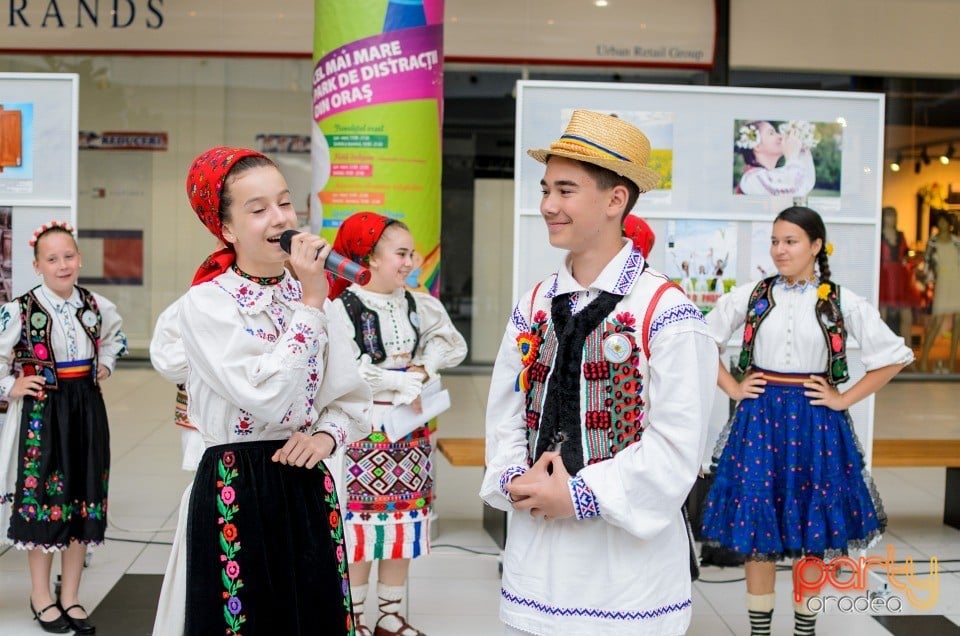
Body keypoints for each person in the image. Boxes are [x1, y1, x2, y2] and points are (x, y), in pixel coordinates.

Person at [480, 109, 718, 635]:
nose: (547, 206)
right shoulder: (536, 303)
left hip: (626, 569)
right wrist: (513, 476)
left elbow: (678, 448)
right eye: (546, 189)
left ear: (616, 200)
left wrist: (580, 495)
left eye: (565, 190)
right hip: (537, 553)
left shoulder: (668, 313)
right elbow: (505, 411)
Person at [151, 147, 372, 636]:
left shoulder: (311, 294)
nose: (280, 220)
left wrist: (325, 438)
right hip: (236, 483)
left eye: (285, 204)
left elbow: (352, 399)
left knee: (311, 617)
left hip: (307, 482)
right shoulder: (207, 305)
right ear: (225, 229)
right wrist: (312, 304)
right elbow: (268, 396)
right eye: (258, 209)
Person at [699, 206, 914, 636]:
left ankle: (805, 629)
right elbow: (700, 340)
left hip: (817, 424)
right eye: (775, 241)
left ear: (816, 246)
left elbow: (893, 356)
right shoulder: (752, 295)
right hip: (760, 420)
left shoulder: (841, 301)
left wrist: (842, 398)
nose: (780, 250)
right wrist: (734, 387)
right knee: (757, 530)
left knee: (811, 531)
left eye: (790, 241)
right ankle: (760, 630)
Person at [327, 211, 467, 636]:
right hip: (361, 433)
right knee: (359, 531)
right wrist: (396, 379)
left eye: (413, 254)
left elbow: (449, 343)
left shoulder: (418, 303)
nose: (411, 262)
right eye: (401, 254)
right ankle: (355, 620)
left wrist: (423, 369)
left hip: (409, 432)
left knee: (401, 525)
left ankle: (388, 616)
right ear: (368, 257)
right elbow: (344, 369)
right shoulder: (341, 307)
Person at [0, 220, 126, 634]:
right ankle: (40, 595)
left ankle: (70, 595)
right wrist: (12, 384)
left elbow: (114, 338)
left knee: (82, 497)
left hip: (87, 408)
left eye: (68, 256)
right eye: (52, 259)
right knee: (44, 500)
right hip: (43, 414)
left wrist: (104, 364)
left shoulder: (94, 305)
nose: (62, 265)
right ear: (37, 266)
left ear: (80, 258)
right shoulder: (19, 310)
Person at [919, 211, 960, 372]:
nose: (943, 224)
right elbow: (927, 263)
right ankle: (923, 360)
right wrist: (928, 281)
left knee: (957, 323)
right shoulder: (933, 242)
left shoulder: (957, 242)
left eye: (945, 221)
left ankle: (951, 363)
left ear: (949, 223)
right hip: (942, 281)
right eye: (940, 221)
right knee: (937, 321)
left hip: (957, 280)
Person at [735, 120, 816, 197]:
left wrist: (801, 151)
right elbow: (793, 190)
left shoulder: (773, 174)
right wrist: (792, 157)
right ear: (757, 146)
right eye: (771, 133)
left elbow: (805, 184)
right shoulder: (752, 178)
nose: (780, 136)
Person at [879, 206, 913, 337]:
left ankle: (908, 353)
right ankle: (880, 351)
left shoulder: (901, 235)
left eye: (893, 215)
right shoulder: (879, 234)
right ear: (883, 217)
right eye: (888, 215)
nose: (891, 218)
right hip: (884, 277)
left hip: (900, 278)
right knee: (882, 316)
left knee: (906, 316)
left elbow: (905, 255)